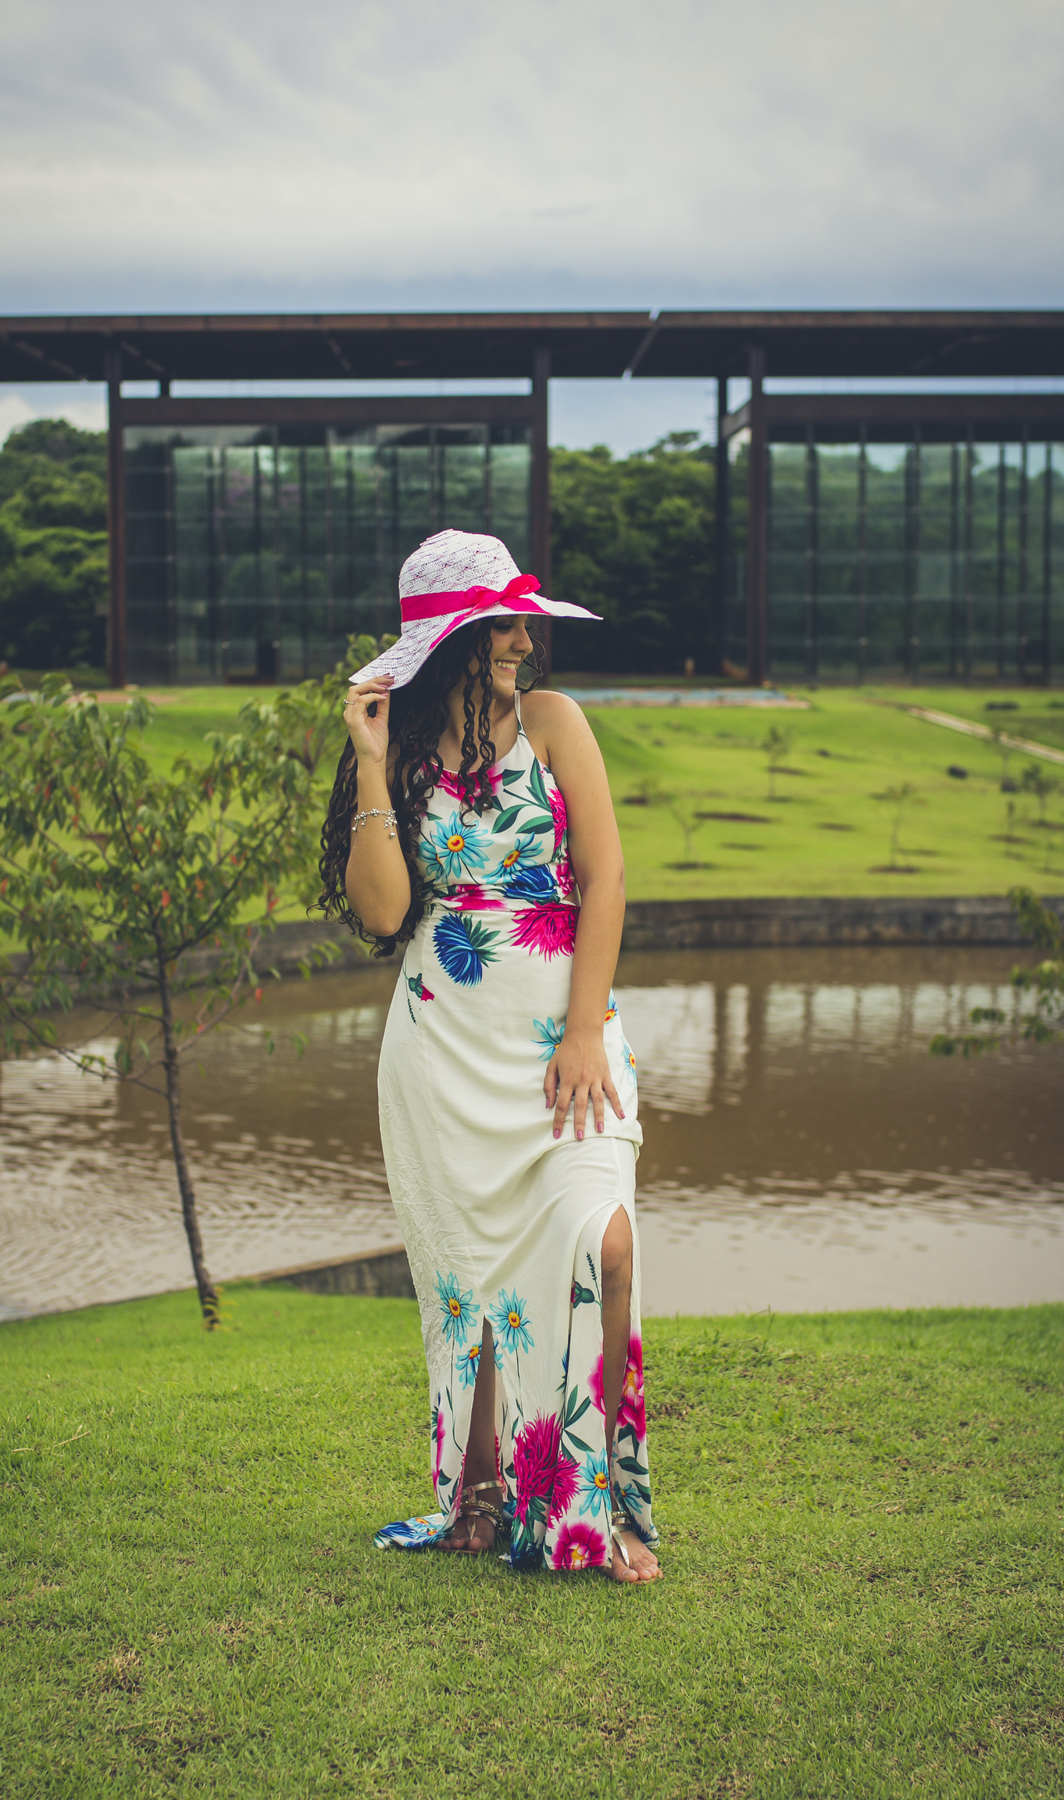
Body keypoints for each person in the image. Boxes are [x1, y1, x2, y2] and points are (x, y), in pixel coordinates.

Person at [318, 529, 661, 1583]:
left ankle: (602, 1508)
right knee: (470, 1278)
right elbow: (385, 912)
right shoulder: (399, 750)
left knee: (604, 1243)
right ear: (449, 643)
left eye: (520, 624)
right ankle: (480, 1494)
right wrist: (370, 761)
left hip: (565, 1042)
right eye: (500, 626)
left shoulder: (554, 723)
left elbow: (605, 879)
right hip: (442, 1049)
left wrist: (585, 1030)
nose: (520, 641)